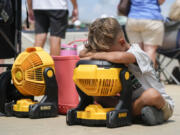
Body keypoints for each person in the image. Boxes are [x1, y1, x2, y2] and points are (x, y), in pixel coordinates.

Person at [80, 17, 174, 126]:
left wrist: (95, 55)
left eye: (107, 52)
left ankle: (151, 114)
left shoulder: (138, 53)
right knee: (99, 97)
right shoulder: (113, 49)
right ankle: (140, 114)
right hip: (131, 102)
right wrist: (94, 50)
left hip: (161, 104)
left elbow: (120, 57)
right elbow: (82, 53)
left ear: (122, 42)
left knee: (151, 95)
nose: (106, 56)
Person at [125, 0, 165, 67]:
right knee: (149, 50)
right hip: (151, 18)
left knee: (137, 52)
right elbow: (161, 1)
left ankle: (137, 77)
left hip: (133, 19)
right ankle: (149, 77)